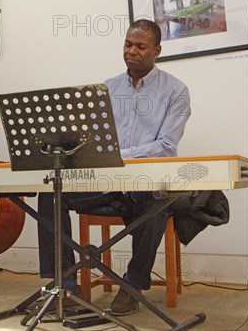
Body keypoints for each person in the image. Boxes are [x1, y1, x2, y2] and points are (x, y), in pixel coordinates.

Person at [37, 19, 191, 315]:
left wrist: (121, 154)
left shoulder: (176, 91)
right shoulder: (106, 88)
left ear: (156, 50)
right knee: (52, 194)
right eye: (128, 44)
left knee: (157, 204)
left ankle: (132, 286)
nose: (132, 51)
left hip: (143, 184)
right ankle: (65, 284)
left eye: (141, 46)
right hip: (106, 184)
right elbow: (91, 142)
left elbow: (166, 147)